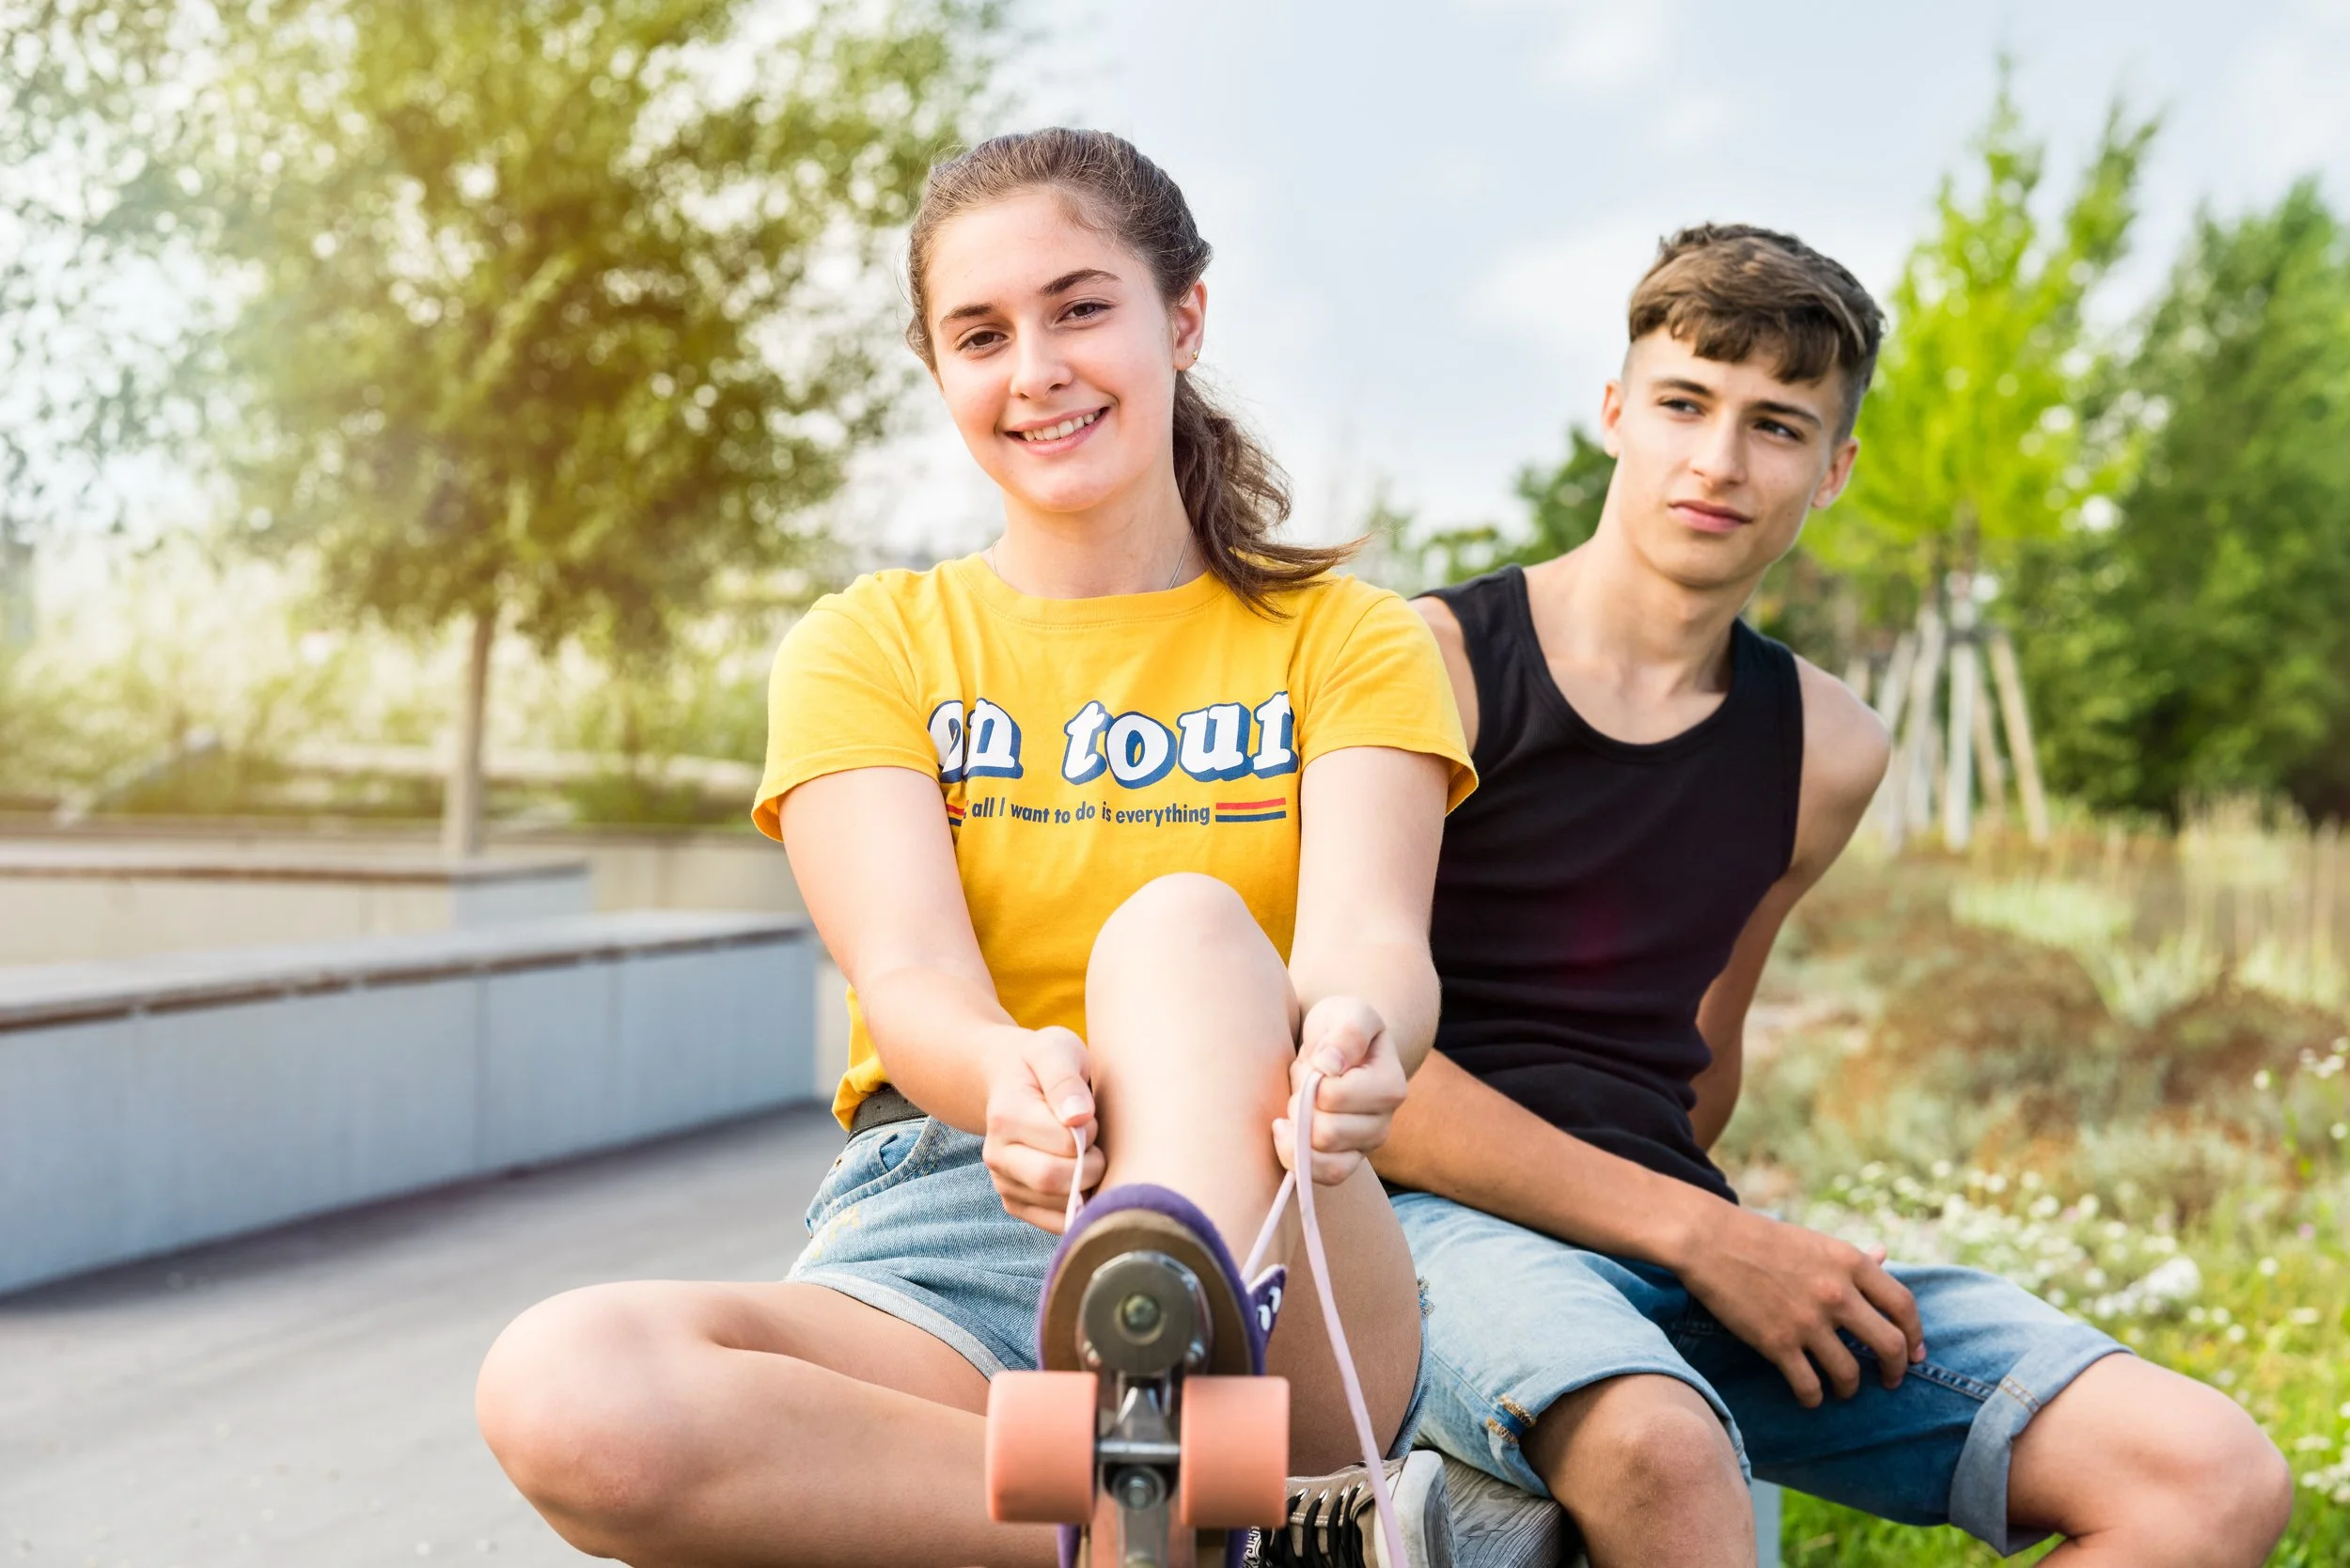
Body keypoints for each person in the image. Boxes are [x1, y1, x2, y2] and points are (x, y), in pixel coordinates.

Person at [473, 128, 1475, 1568]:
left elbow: (1373, 943)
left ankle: (1179, 1408)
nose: (1037, 369)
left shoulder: (1349, 635)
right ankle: (1190, 1521)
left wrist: (1367, 1038)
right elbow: (912, 977)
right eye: (981, 334)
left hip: (1275, 1236)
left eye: (1081, 308)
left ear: (1183, 318)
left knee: (1181, 932)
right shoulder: (867, 646)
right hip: (952, 1219)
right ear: (938, 370)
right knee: (566, 1386)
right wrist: (1009, 1081)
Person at [1371, 225, 2294, 1568]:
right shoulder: (1427, 662)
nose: (1719, 461)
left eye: (1778, 426)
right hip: (1434, 1241)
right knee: (1657, 1442)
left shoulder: (1828, 746)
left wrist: (1700, 1244)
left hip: (1669, 1252)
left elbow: (1697, 1056)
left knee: (2208, 1477)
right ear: (1617, 411)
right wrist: (1712, 1237)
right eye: (1685, 404)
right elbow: (1352, 1076)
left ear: (1834, 471)